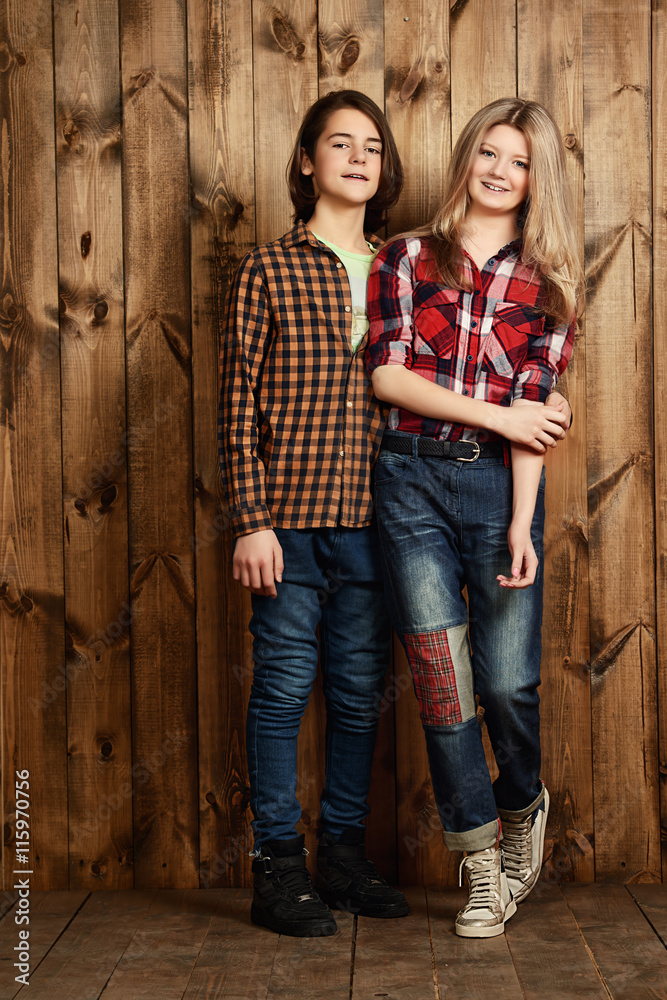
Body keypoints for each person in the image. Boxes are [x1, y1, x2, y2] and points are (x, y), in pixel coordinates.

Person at [366, 97, 582, 938]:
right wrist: (498, 415)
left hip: (496, 489)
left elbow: (534, 421)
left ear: (535, 180)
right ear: (466, 157)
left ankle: (522, 803)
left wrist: (522, 524)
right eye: (488, 153)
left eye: (518, 162)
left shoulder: (548, 285)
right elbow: (388, 377)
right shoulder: (406, 257)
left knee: (504, 683)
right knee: (442, 684)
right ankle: (481, 863)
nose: (499, 171)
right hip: (408, 483)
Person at [218, 90, 410, 938]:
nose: (358, 157)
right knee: (284, 688)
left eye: (372, 145)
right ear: (306, 161)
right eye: (340, 143)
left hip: (377, 522)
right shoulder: (269, 268)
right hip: (288, 524)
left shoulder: (402, 270)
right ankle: (277, 865)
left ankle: (340, 855)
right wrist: (250, 518)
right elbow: (237, 402)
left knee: (360, 693)